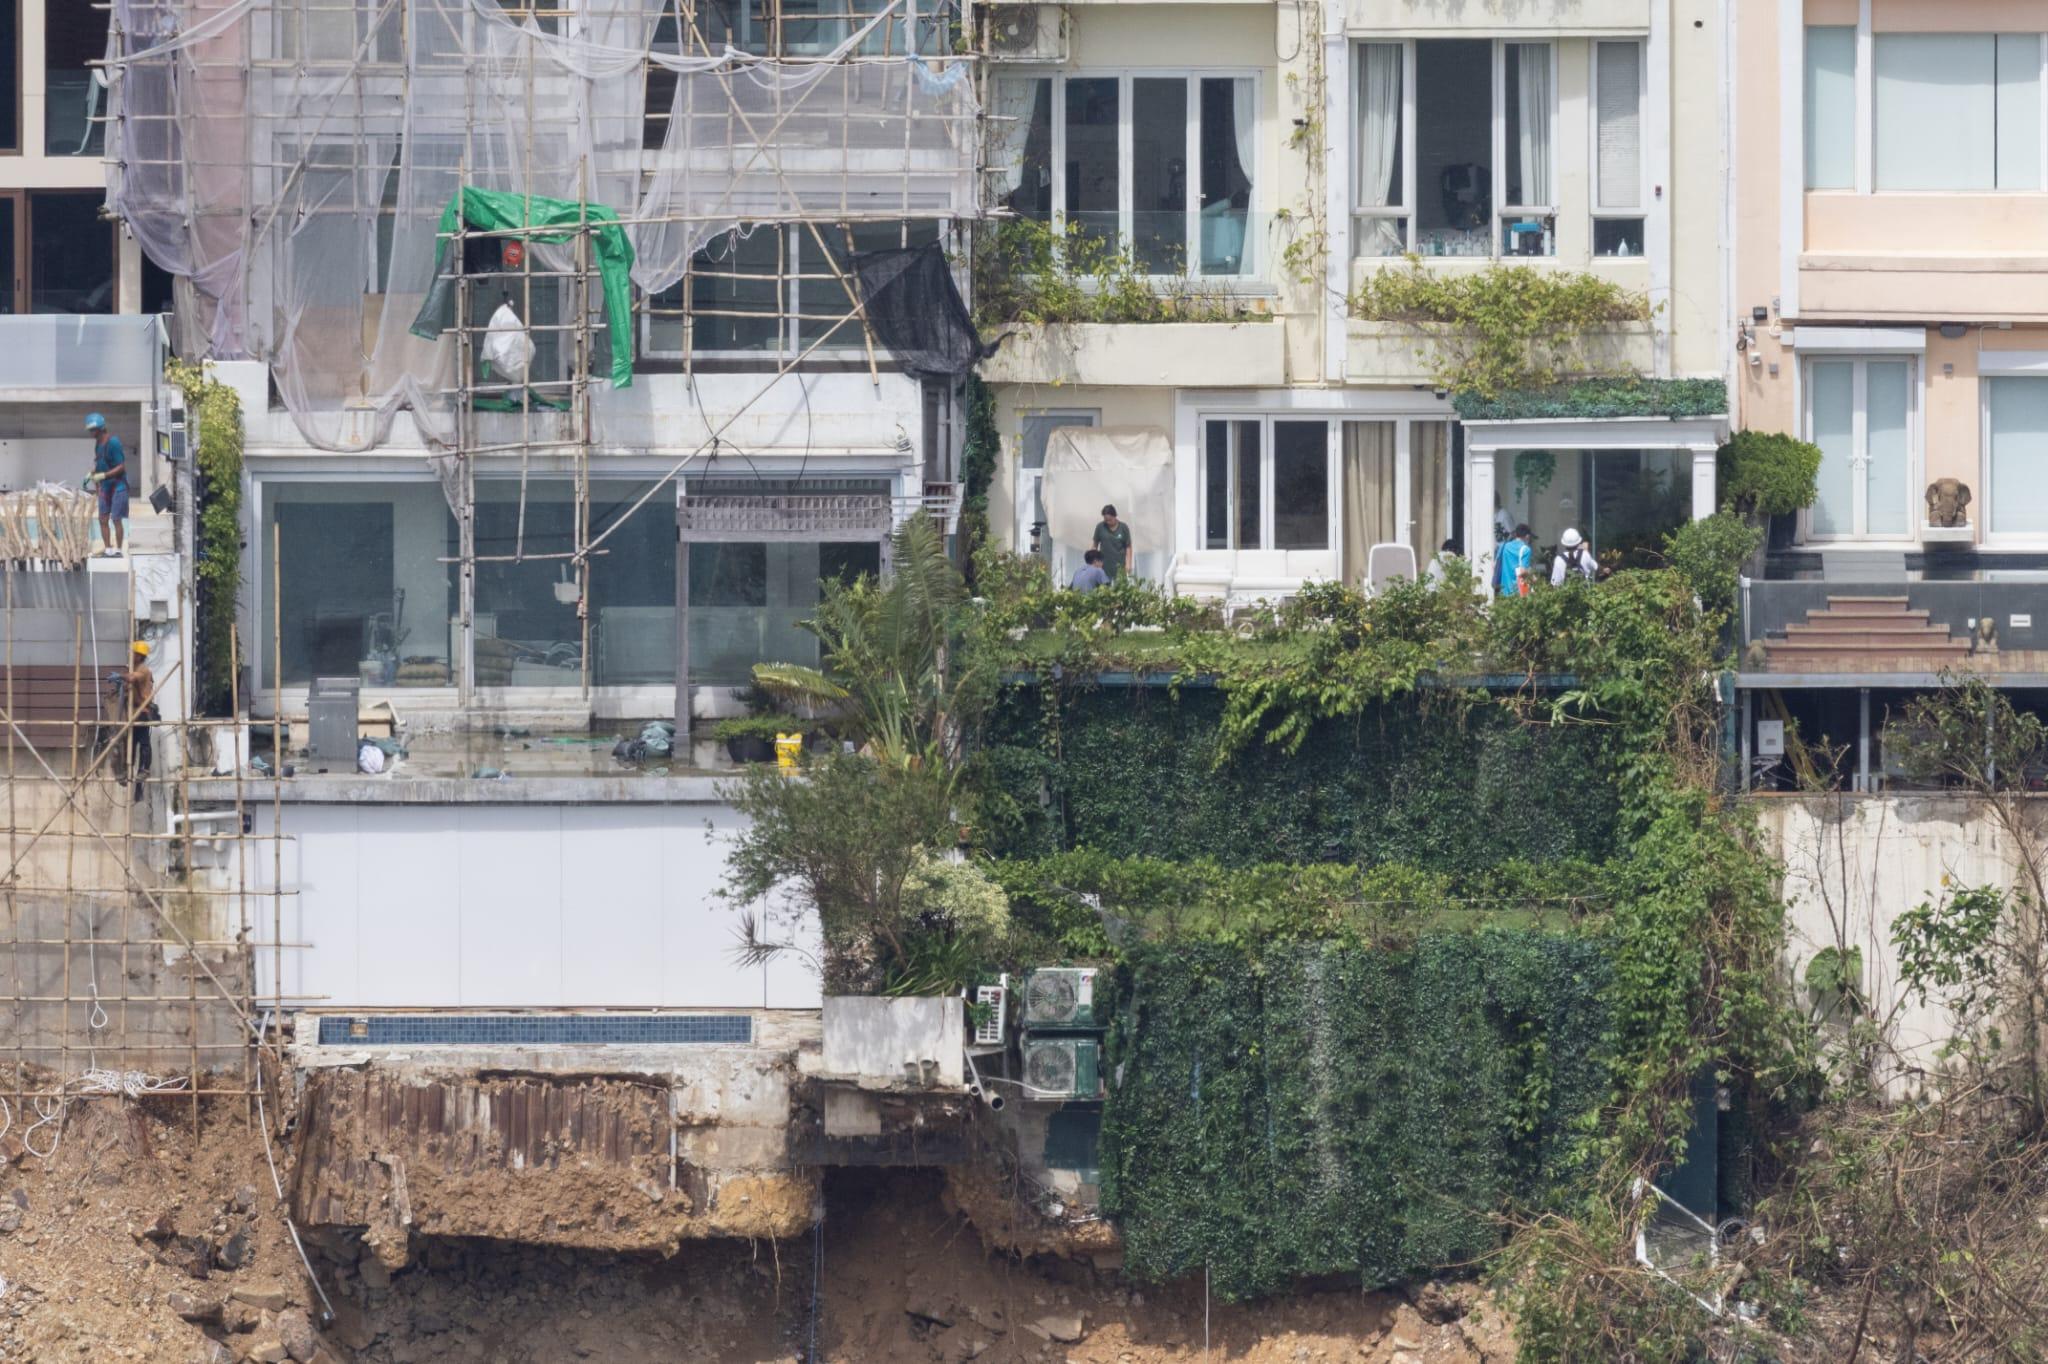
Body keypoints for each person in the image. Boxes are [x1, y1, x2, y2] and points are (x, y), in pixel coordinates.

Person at [85, 413, 128, 559]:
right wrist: (92, 473)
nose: (91, 433)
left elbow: (121, 467)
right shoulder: (98, 444)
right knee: (102, 519)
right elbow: (99, 463)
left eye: (93, 430)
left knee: (116, 518)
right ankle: (108, 549)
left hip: (117, 486)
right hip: (105, 487)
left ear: (101, 428)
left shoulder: (113, 443)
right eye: (90, 430)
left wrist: (103, 475)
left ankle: (119, 550)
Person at [1092, 505, 1133, 582]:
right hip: (1103, 567)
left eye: (1109, 520)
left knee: (1120, 590)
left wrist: (1128, 563)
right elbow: (1095, 545)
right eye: (1105, 520)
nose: (1107, 522)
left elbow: (1128, 547)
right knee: (1104, 590)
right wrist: (1093, 561)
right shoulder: (1100, 527)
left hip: (1120, 566)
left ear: (1115, 516)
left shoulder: (1123, 527)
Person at [1497, 524, 1533, 597]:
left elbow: (1495, 565)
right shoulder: (1526, 549)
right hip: (1518, 592)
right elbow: (1522, 571)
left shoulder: (1504, 546)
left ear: (1516, 534)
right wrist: (1531, 573)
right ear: (1527, 536)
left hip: (1504, 590)